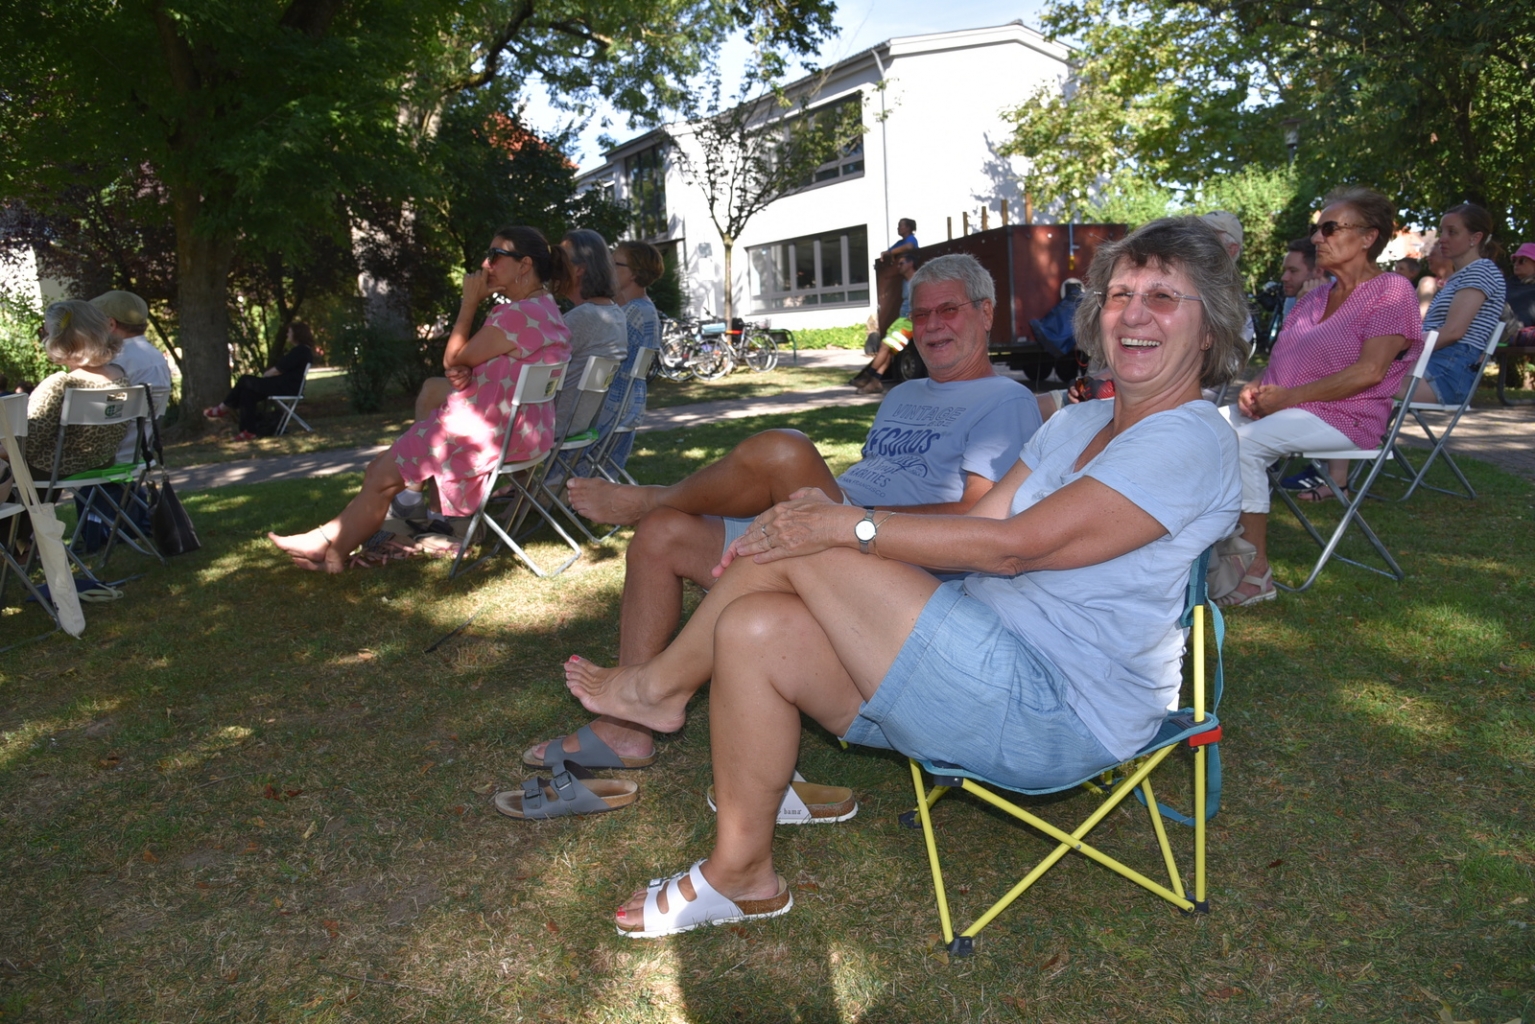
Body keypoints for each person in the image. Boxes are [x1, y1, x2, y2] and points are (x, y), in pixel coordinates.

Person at [556, 216, 1244, 937]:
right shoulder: (1075, 425)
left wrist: (847, 525)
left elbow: (1013, 548)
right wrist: (831, 527)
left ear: (1208, 329)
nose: (1133, 314)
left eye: (1163, 296)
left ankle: (659, 688)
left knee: (816, 535)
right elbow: (977, 534)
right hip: (975, 660)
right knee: (756, 627)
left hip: (1064, 711)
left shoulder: (1190, 437)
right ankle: (742, 873)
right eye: (1119, 293)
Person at [527, 255, 1042, 774]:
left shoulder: (1005, 400)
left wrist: (843, 516)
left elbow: (980, 517)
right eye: (921, 314)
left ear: (985, 312)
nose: (931, 326)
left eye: (947, 311)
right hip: (830, 524)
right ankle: (625, 730)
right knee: (663, 536)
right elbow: (878, 473)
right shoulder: (904, 393)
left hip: (886, 559)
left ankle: (650, 498)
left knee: (784, 450)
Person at [268, 226, 572, 573]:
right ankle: (329, 545)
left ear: (524, 265)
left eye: (495, 256)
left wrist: (469, 304)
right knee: (381, 471)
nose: (486, 264)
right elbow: (500, 364)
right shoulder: (546, 311)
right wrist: (471, 372)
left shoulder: (516, 315)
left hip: (481, 436)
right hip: (524, 436)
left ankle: (329, 549)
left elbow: (452, 359)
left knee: (380, 475)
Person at [1218, 187, 1423, 606]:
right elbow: (1282, 364)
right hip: (1294, 409)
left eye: (1329, 228)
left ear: (1368, 237)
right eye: (1317, 229)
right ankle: (1206, 552)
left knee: (1243, 445)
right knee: (1197, 427)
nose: (1317, 238)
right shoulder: (1313, 298)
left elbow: (1370, 371)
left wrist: (1288, 397)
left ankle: (1254, 574)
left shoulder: (1392, 291)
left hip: (1349, 417)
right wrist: (1255, 389)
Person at [9, 301, 128, 480]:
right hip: (101, 462)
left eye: (46, 333)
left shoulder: (62, 384)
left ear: (60, 339)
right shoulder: (120, 376)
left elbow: (28, 442)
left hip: (52, 469)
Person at [1405, 203, 1507, 405]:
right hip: (1431, 366)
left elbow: (1453, 331)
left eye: (1452, 232)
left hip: (1446, 374)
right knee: (1354, 376)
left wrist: (1399, 346)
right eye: (1442, 231)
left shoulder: (1481, 271)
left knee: (1358, 382)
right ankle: (1369, 437)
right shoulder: (1461, 277)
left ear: (1475, 238)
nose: (1442, 238)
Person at [591, 240, 664, 472]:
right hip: (627, 408)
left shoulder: (632, 314)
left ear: (634, 273)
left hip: (610, 411)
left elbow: (599, 366)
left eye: (614, 264)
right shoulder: (643, 308)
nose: (608, 270)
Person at [552, 229, 627, 438]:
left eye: (560, 261)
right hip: (580, 423)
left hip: (551, 425)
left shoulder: (584, 318)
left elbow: (532, 368)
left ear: (579, 270)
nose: (554, 269)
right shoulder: (615, 313)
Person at [204, 322, 315, 440]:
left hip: (286, 387)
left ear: (297, 334)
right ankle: (248, 431)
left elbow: (279, 369)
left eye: (289, 332)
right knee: (247, 393)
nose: (287, 334)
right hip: (283, 385)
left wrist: (266, 375)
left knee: (245, 380)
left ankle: (222, 408)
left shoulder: (301, 351)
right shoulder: (302, 351)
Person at [848, 252, 917, 393]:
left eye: (901, 263)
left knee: (885, 346)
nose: (899, 267)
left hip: (910, 323)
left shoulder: (919, 281)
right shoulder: (905, 281)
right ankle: (875, 382)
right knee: (888, 352)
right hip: (901, 319)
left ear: (910, 264)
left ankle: (867, 377)